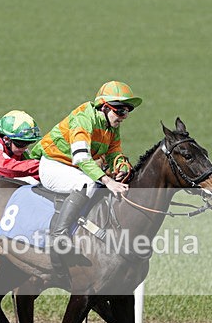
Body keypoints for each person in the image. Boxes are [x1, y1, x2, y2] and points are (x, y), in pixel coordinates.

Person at [27, 80, 142, 247]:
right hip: (54, 165)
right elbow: (81, 158)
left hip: (73, 167)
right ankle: (59, 235)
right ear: (104, 107)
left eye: (127, 111)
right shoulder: (83, 120)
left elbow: (114, 152)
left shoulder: (111, 125)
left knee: (100, 183)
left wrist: (122, 168)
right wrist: (108, 181)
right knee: (87, 183)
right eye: (121, 111)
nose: (124, 117)